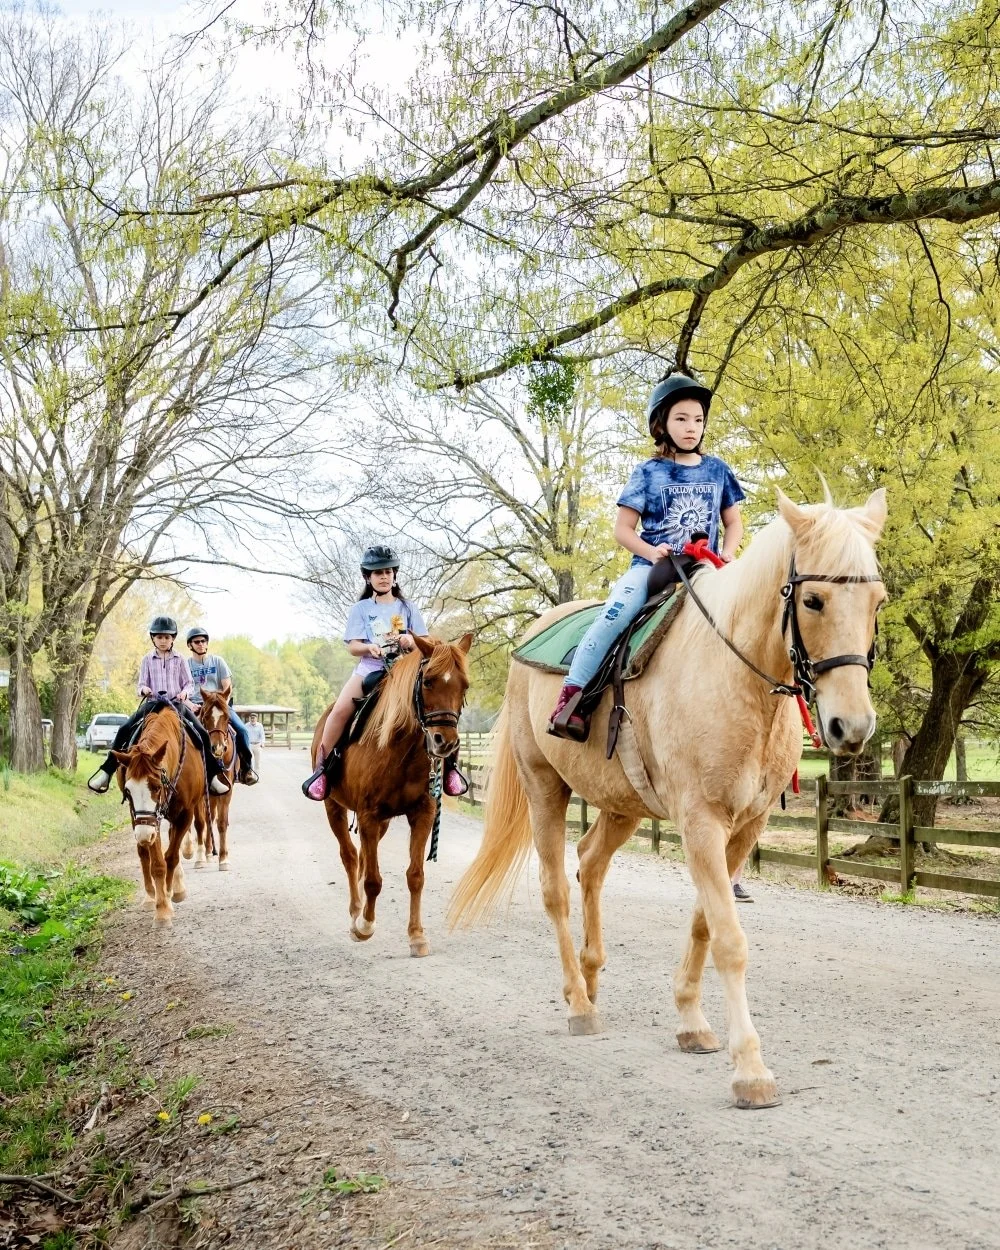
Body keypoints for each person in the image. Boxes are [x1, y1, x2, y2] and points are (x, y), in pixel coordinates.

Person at [549, 373, 745, 736]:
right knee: (615, 614)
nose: (692, 428)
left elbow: (733, 523)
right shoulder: (648, 473)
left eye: (698, 419)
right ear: (662, 424)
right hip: (654, 566)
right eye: (681, 419)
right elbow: (622, 529)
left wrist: (730, 553)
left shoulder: (718, 469)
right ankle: (572, 694)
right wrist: (650, 551)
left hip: (708, 567)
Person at [302, 545, 469, 801]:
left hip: (405, 673)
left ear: (394, 575)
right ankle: (322, 770)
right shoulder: (361, 609)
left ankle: (450, 770)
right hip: (370, 669)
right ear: (367, 577)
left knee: (440, 708)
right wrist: (369, 647)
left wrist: (409, 642)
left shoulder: (408, 607)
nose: (383, 577)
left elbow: (425, 640)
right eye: (377, 573)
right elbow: (353, 646)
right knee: (339, 712)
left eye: (388, 572)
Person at [87, 616, 231, 795]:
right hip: (153, 703)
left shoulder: (179, 659)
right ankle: (106, 772)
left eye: (167, 637)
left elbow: (189, 683)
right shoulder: (147, 659)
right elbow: (140, 685)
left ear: (172, 639)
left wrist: (185, 693)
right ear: (153, 638)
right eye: (159, 637)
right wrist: (144, 689)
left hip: (176, 704)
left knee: (201, 733)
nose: (163, 641)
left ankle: (213, 776)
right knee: (125, 729)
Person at [184, 627, 258, 785]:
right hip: (196, 705)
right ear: (190, 645)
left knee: (243, 730)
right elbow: (181, 690)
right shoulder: (185, 665)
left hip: (219, 704)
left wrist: (220, 702)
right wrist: (190, 705)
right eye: (197, 642)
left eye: (203, 641)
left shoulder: (218, 661)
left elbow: (227, 686)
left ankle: (246, 769)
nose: (201, 644)